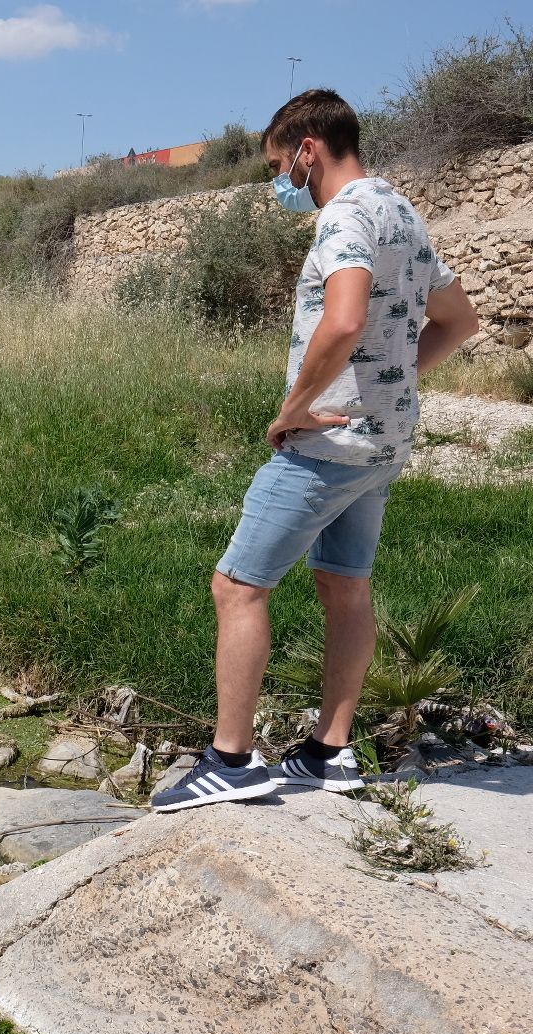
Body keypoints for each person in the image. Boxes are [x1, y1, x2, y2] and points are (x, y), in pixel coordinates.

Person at [151, 89, 479, 814]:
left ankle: (231, 761)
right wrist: (390, 384)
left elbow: (345, 318)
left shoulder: (345, 216)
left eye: (279, 164)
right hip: (384, 444)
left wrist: (294, 408)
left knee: (239, 587)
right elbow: (460, 320)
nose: (281, 181)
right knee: (345, 587)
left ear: (307, 147)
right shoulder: (403, 211)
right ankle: (330, 753)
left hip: (326, 444)